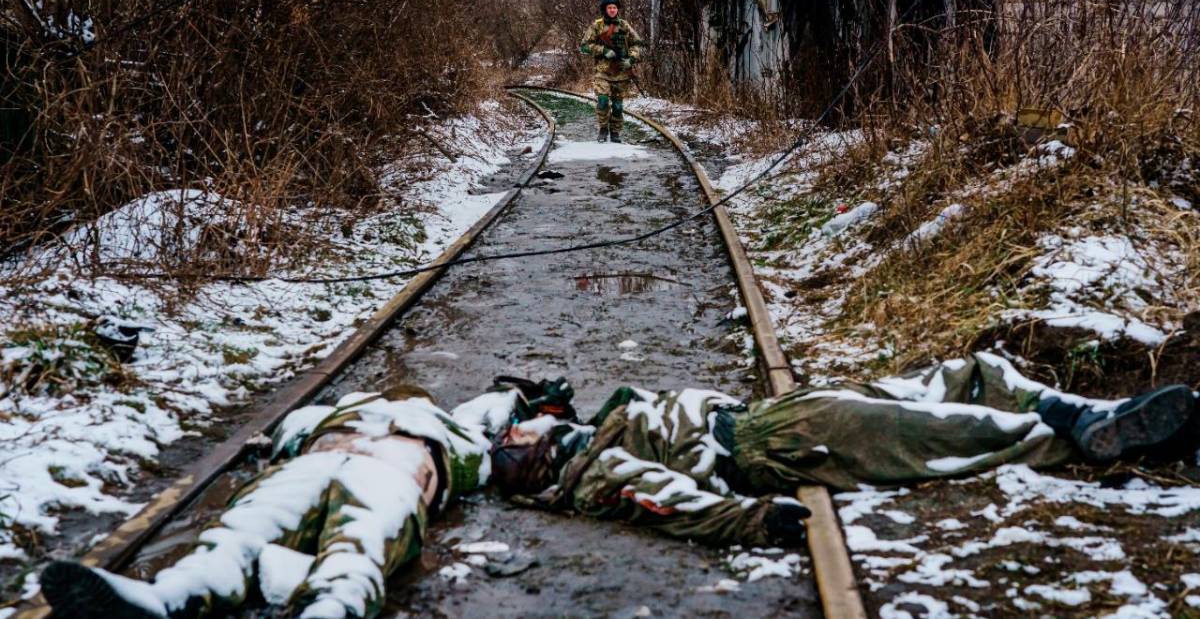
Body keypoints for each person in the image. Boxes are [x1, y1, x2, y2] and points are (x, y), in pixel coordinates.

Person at [486, 351, 1198, 546]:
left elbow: (567, 408)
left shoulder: (589, 430)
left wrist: (555, 404)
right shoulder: (593, 471)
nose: (522, 426)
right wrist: (756, 522)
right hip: (776, 445)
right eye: (517, 438)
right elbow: (666, 500)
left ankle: (1080, 411)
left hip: (774, 415)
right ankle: (1086, 438)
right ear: (534, 463)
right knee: (944, 435)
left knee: (950, 378)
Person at [38, 380, 573, 619]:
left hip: (393, 475)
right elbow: (289, 427)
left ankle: (329, 609)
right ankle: (165, 599)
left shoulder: (457, 433)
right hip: (313, 463)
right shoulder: (346, 407)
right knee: (237, 534)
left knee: (357, 551)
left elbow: (497, 412)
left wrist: (531, 405)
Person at [579, 0, 643, 144]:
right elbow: (584, 46)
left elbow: (637, 43)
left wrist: (631, 59)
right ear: (604, 9)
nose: (613, 10)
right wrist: (603, 50)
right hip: (602, 71)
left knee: (618, 106)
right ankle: (603, 129)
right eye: (610, 7)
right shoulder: (597, 26)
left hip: (621, 71)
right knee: (602, 100)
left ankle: (615, 132)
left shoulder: (624, 25)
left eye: (614, 7)